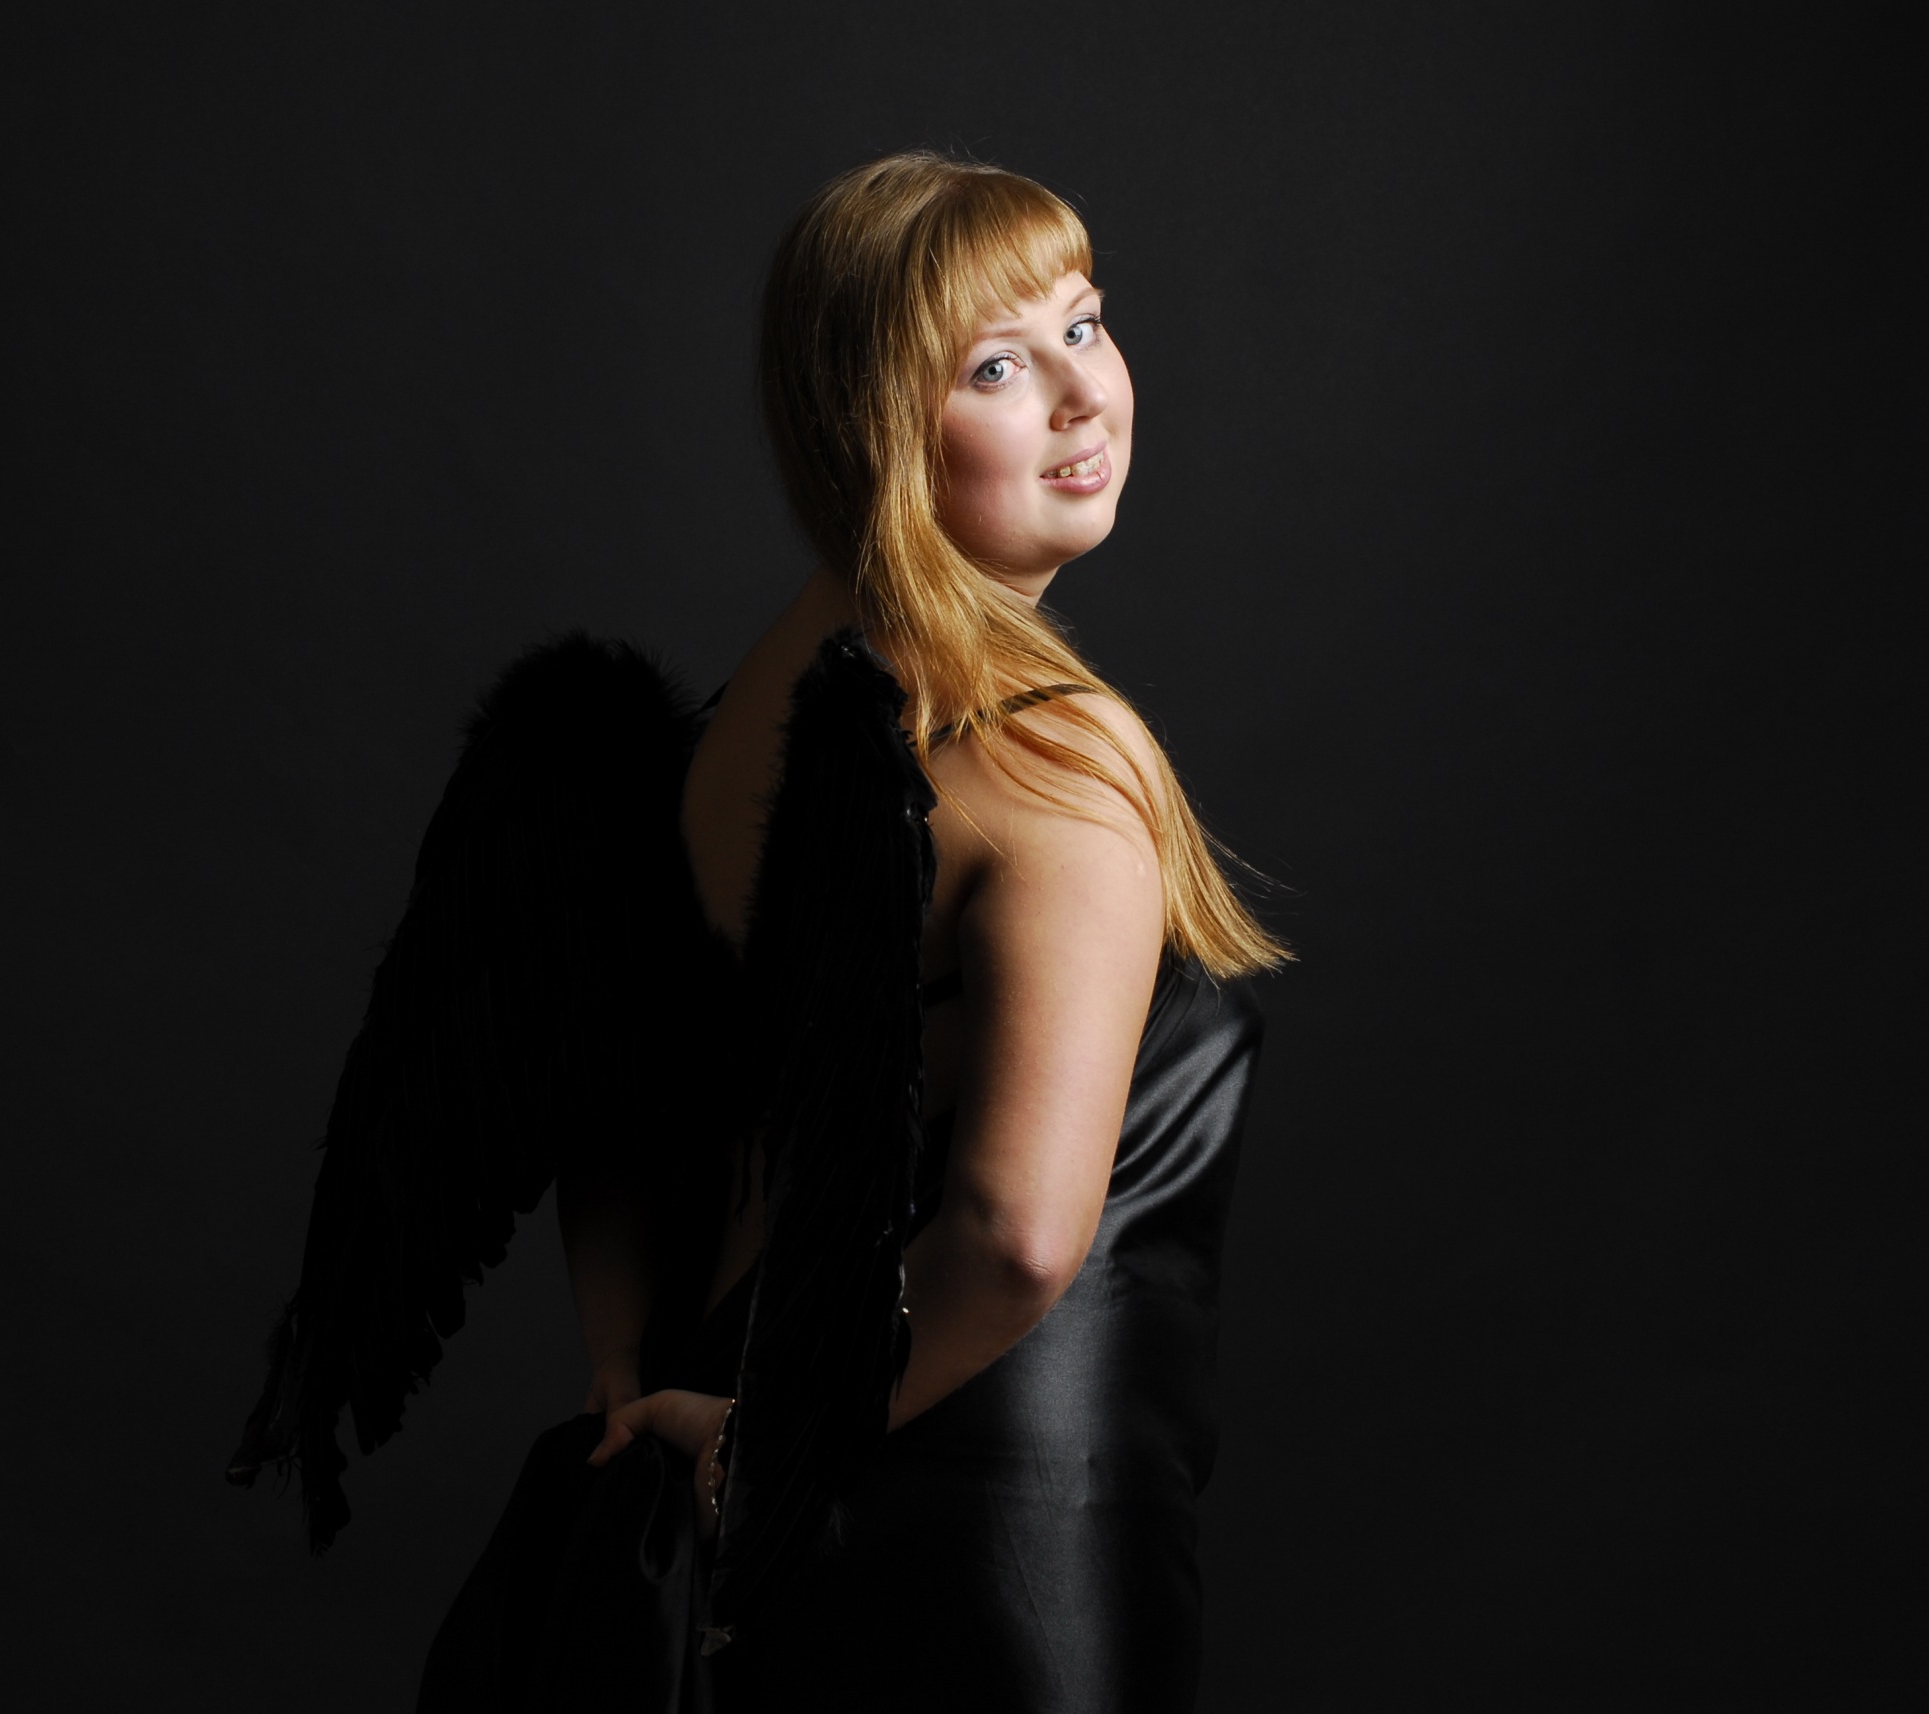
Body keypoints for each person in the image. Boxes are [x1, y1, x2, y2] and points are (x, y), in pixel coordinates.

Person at [229, 150, 1283, 1714]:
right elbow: (1016, 1235)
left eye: (1085, 322)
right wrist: (776, 1439)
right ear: (871, 425)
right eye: (997, 367)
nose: (1084, 394)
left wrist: (628, 1367)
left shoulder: (729, 734)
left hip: (731, 1512)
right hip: (992, 1546)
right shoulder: (1061, 757)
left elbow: (612, 1089)